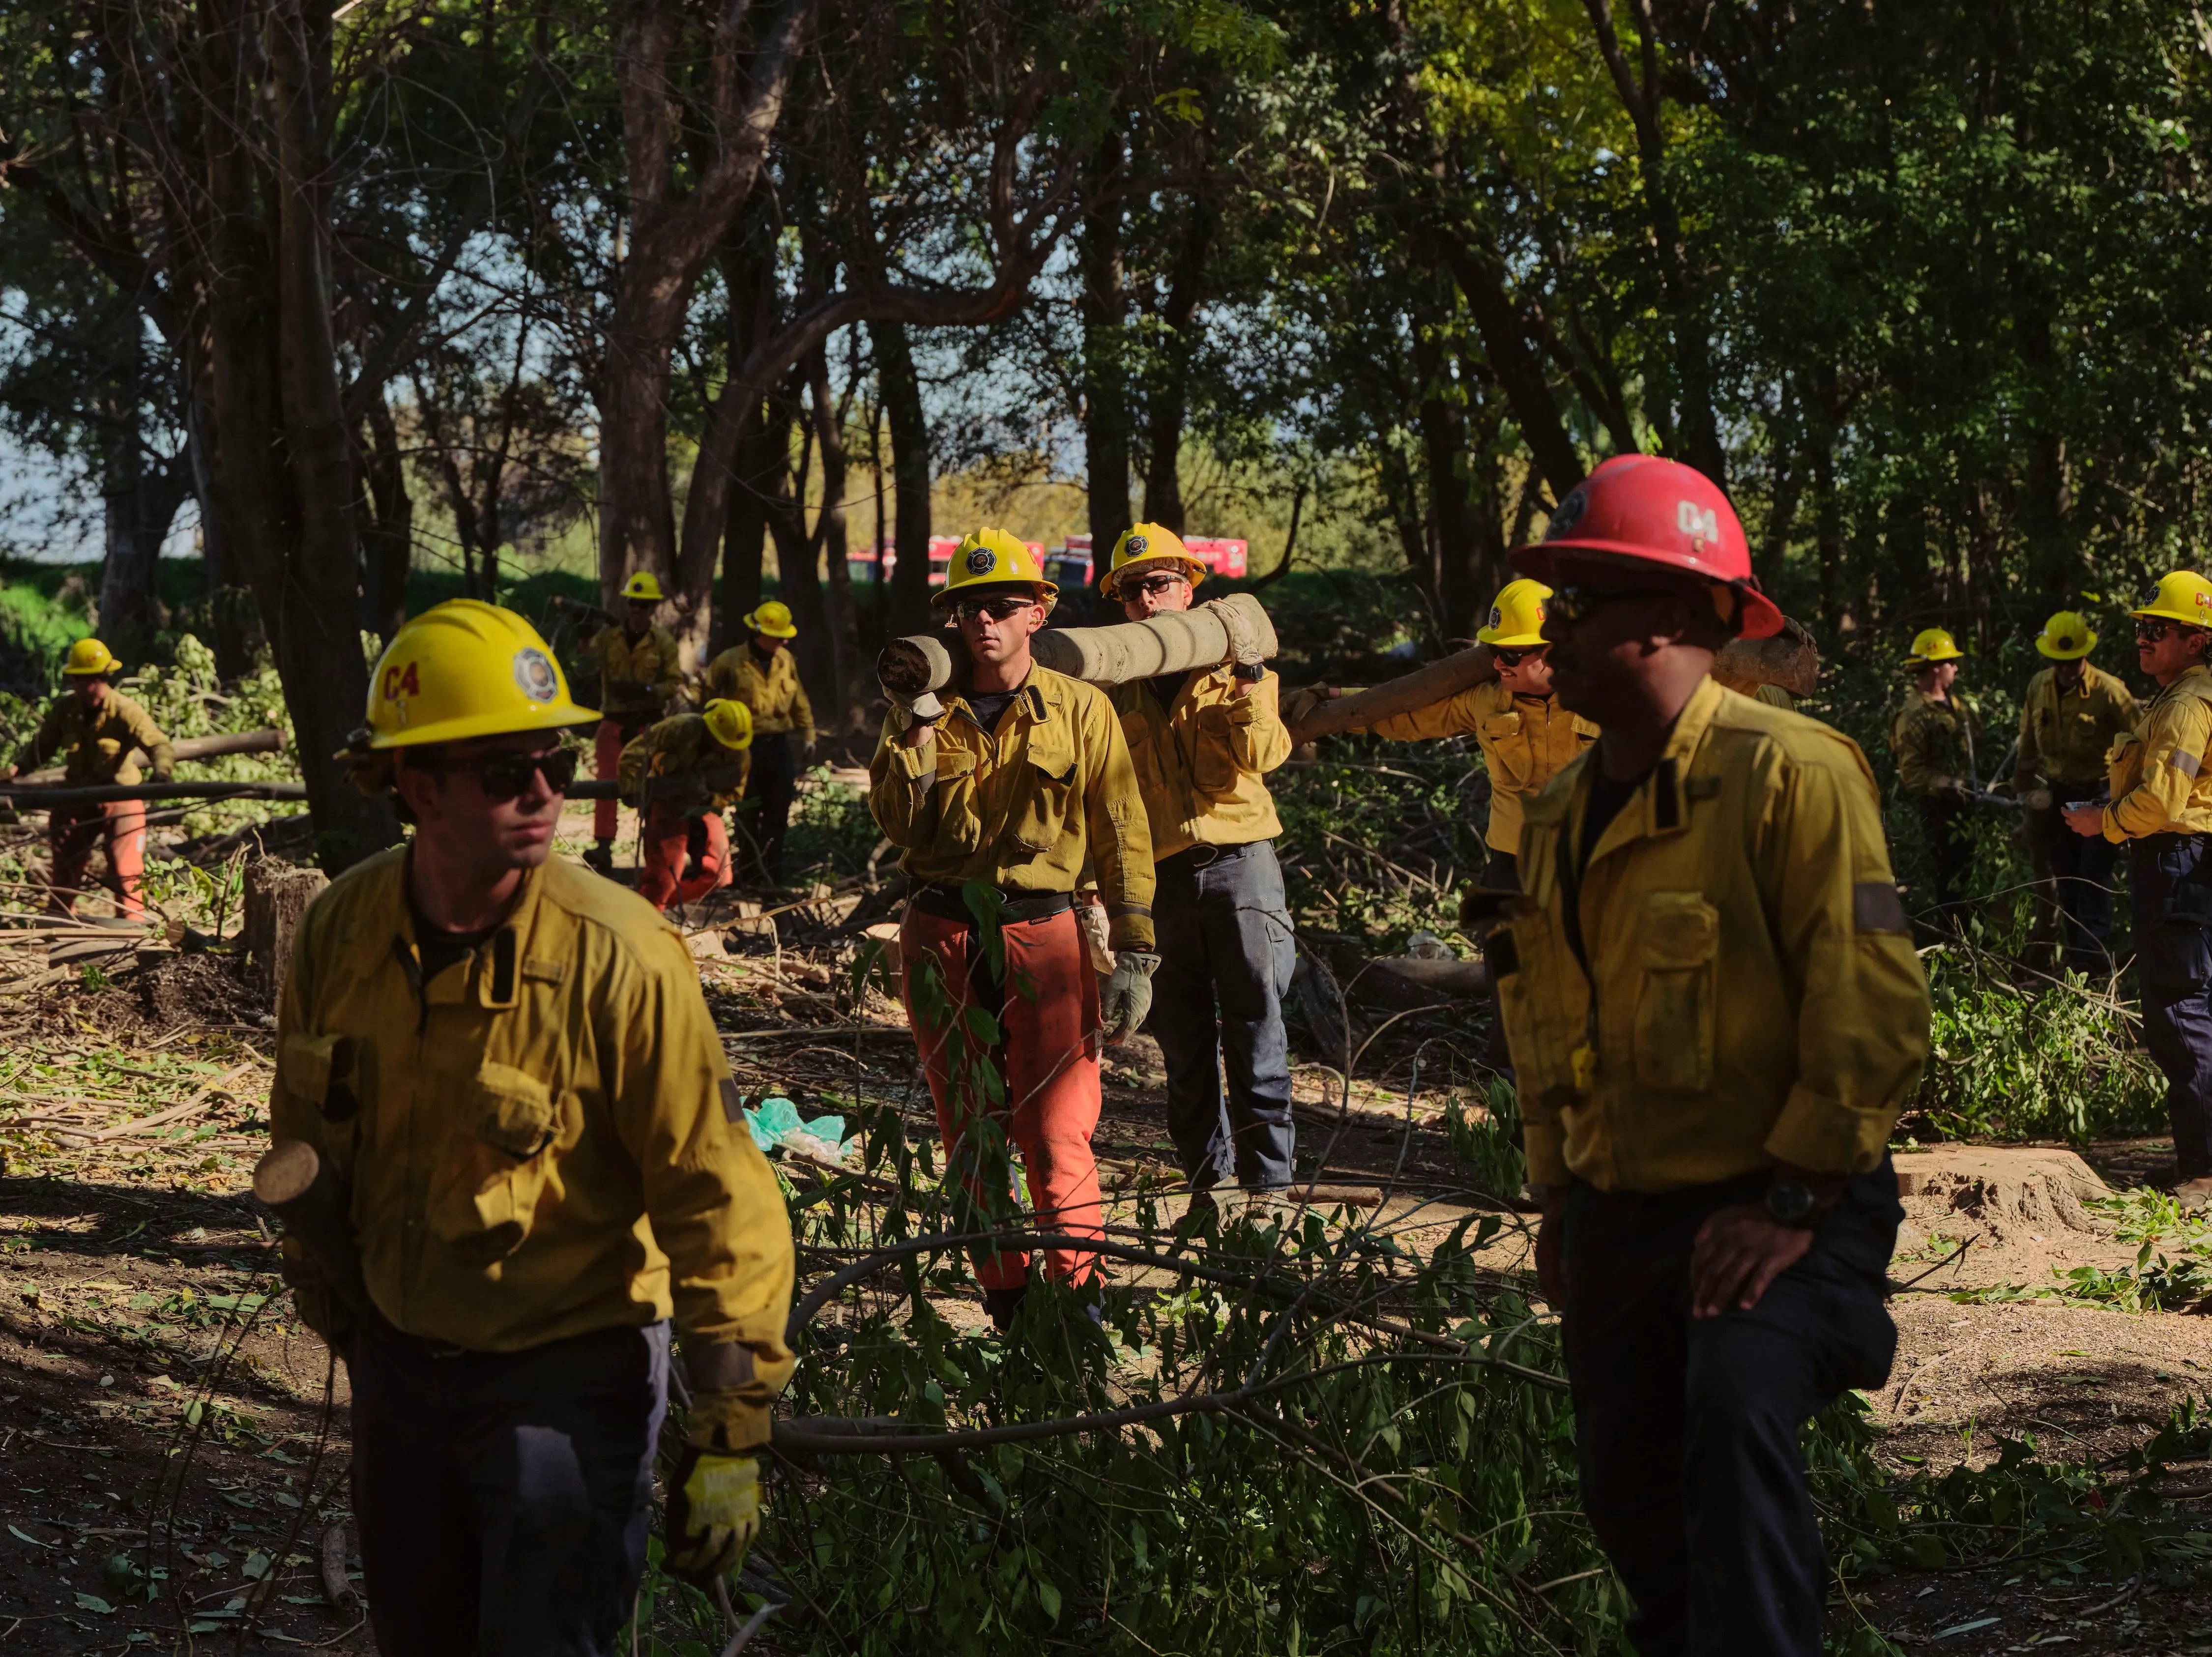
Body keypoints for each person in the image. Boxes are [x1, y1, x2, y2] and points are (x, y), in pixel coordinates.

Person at [282, 600, 793, 1655]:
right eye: (504, 769)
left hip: (567, 1384)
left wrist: (731, 1430)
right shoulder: (342, 927)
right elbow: (305, 1136)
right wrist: (341, 1307)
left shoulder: (623, 953)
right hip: (399, 1374)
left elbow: (718, 1196)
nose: (545, 791)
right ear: (416, 785)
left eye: (554, 762)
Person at [1491, 454, 1930, 1657]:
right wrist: (1558, 1192)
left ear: (1677, 619)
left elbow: (1871, 999)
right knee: (1627, 1495)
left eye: (1584, 601)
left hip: (1783, 1198)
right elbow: (1541, 1019)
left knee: (1732, 1425)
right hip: (1619, 1214)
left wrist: (1792, 1199)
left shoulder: (1791, 770)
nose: (1555, 628)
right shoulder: (1556, 811)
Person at [867, 528, 1157, 1330]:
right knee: (971, 1125)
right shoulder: (922, 709)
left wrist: (1136, 952)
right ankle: (1007, 1297)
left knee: (1059, 1128)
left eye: (1001, 606)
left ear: (1038, 612)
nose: (983, 622)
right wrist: (917, 732)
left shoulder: (1082, 711)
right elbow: (896, 820)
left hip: (1046, 937)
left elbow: (1123, 832)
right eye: (968, 608)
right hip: (944, 936)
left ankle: (1077, 1303)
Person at [1100, 523, 1295, 1226]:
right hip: (1164, 881)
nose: (1148, 601)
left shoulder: (1237, 668)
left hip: (1243, 867)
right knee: (1183, 1044)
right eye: (1132, 590)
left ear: (1189, 586)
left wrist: (1247, 674)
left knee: (1257, 1030)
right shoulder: (1116, 687)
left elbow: (1265, 752)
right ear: (1121, 606)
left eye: (1159, 584)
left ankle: (1267, 1194)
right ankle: (1207, 1192)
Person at [2065, 572, 2212, 1207]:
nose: (2144, 640)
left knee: (2181, 1011)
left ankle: (2205, 1171)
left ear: (2197, 639)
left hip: (2177, 860)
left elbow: (2159, 800)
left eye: (2158, 630)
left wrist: (2105, 824)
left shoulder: (2184, 705)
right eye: (2140, 629)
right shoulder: (2179, 696)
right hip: (2187, 858)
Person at [1, 638, 175, 919]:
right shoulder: (65, 711)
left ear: (104, 678)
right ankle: (57, 926)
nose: (83, 686)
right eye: (78, 680)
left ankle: (133, 931)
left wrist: (162, 773)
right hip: (76, 796)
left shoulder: (125, 711)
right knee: (65, 868)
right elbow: (41, 748)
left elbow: (159, 745)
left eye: (90, 680)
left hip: (120, 797)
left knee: (126, 870)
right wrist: (18, 770)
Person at [2015, 610, 2136, 977]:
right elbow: (2027, 745)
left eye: (2073, 661)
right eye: (2059, 662)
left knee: (2093, 877)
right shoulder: (2039, 686)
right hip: (2059, 795)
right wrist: (2023, 789)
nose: (2067, 669)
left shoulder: (2109, 691)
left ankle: (2092, 961)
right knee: (2065, 875)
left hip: (2099, 792)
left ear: (2085, 655)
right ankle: (2072, 957)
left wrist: (2130, 798)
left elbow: (2140, 740)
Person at [703, 601, 816, 886]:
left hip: (778, 747)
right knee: (747, 813)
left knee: (778, 813)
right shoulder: (729, 662)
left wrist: (808, 734)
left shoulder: (785, 660)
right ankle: (749, 876)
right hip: (743, 749)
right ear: (759, 633)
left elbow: (799, 697)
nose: (785, 640)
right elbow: (705, 698)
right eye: (779, 636)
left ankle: (772, 876)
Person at [585, 572, 683, 876]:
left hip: (648, 725)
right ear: (628, 605)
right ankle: (603, 847)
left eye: (644, 605)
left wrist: (647, 691)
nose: (638, 610)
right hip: (614, 722)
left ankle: (654, 845)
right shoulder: (606, 638)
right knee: (607, 784)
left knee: (651, 785)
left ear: (653, 609)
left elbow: (673, 682)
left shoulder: (663, 643)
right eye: (633, 604)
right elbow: (584, 667)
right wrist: (581, 637)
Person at [619, 697, 755, 912]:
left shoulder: (740, 753)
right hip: (670, 805)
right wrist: (634, 791)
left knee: (720, 875)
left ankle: (656, 903)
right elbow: (633, 754)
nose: (724, 749)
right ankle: (652, 909)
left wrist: (710, 800)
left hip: (706, 809)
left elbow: (735, 793)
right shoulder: (680, 728)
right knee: (664, 878)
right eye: (721, 742)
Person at [1889, 626, 1981, 918]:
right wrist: (1948, 785)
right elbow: (1912, 773)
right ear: (1936, 668)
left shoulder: (1956, 706)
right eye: (1950, 662)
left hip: (1969, 805)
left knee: (1971, 876)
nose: (1955, 667)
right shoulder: (1913, 714)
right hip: (1940, 810)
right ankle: (1952, 941)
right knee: (1949, 878)